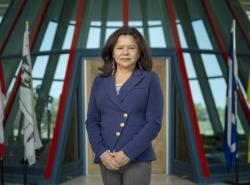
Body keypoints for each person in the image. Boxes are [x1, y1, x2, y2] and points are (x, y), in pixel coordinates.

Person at [85, 26, 164, 185]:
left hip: (137, 157)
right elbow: (92, 121)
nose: (125, 53)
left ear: (139, 52)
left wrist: (128, 152)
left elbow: (153, 123)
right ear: (112, 52)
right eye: (120, 48)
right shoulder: (99, 82)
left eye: (131, 48)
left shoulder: (150, 79)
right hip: (108, 158)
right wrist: (101, 152)